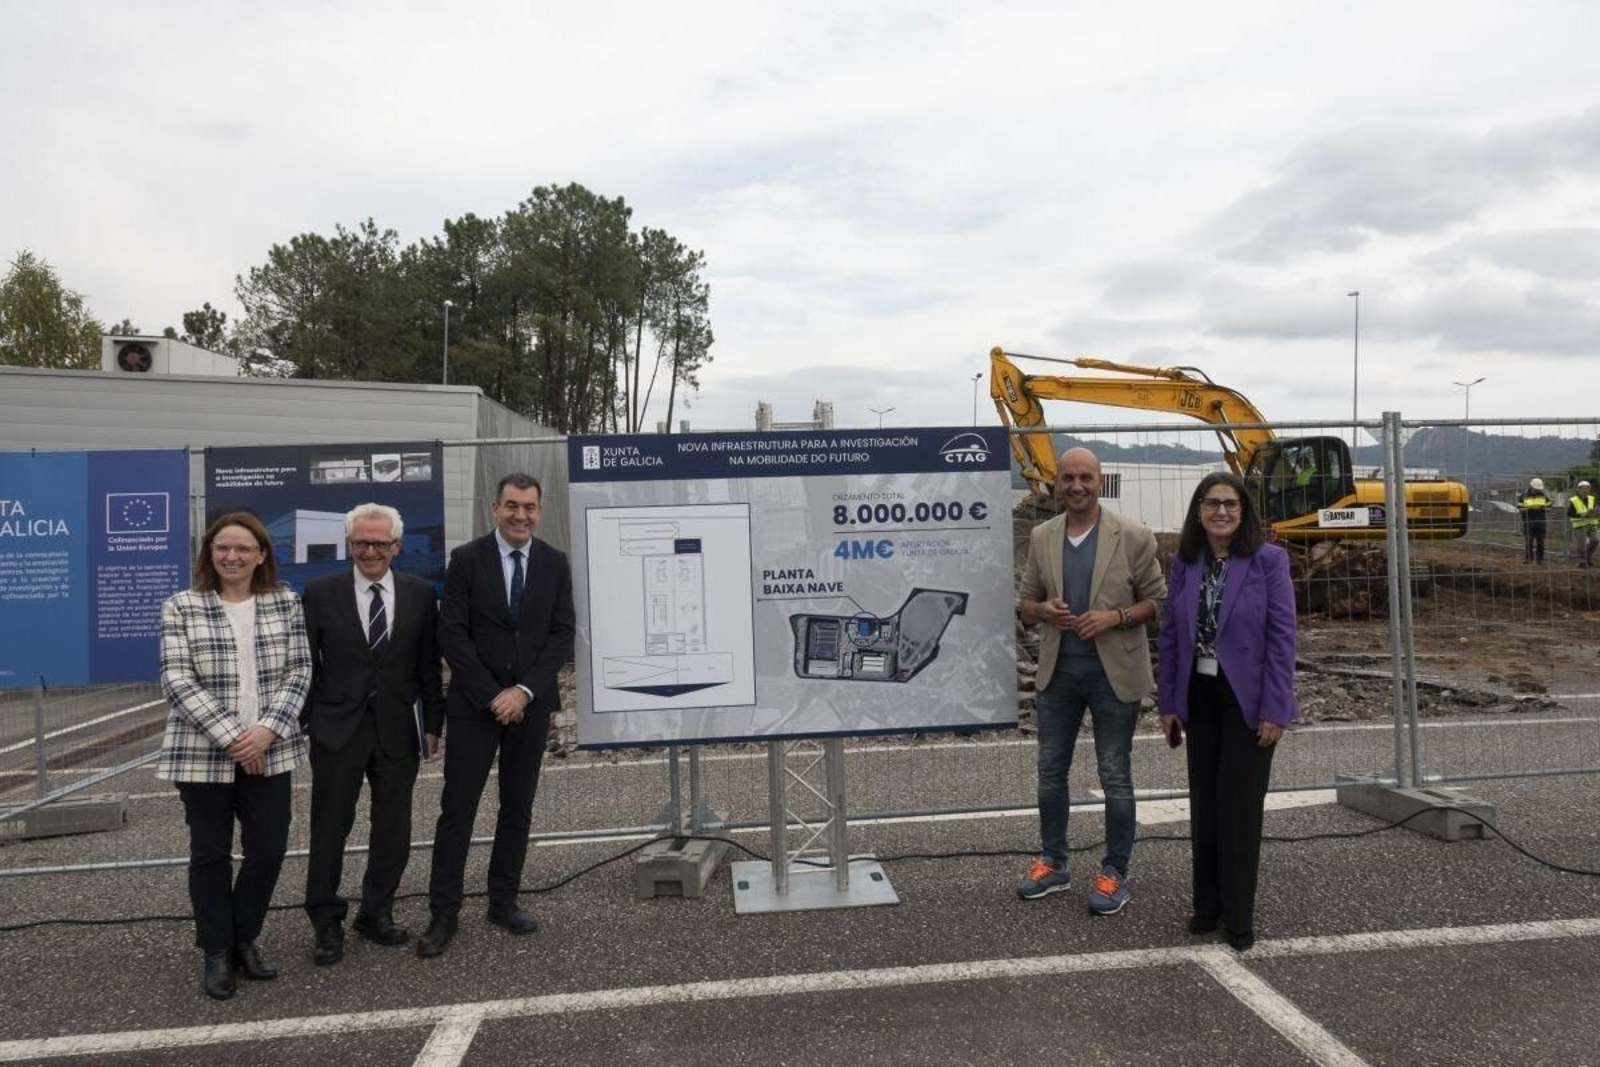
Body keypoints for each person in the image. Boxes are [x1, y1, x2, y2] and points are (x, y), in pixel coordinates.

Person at [418, 473, 575, 958]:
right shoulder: (466, 561)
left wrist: (524, 693)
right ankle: (444, 912)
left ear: (539, 511)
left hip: (530, 705)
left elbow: (561, 633)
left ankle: (502, 900)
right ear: (495, 507)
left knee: (517, 808)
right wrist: (494, 696)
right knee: (457, 811)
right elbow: (453, 635)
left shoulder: (554, 563)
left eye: (529, 507)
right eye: (512, 506)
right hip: (474, 706)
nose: (520, 515)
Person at [157, 512, 311, 1000]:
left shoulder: (284, 601)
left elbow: (301, 670)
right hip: (203, 754)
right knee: (211, 855)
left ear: (261, 555)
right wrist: (234, 738)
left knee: (267, 851)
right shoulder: (182, 606)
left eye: (244, 548)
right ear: (209, 553)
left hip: (271, 749)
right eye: (223, 547)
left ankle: (244, 937)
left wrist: (265, 732)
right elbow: (177, 681)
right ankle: (217, 952)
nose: (232, 556)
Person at [1015, 447, 1166, 914]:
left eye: (1085, 477)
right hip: (1058, 673)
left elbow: (1158, 603)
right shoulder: (1042, 536)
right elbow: (1025, 602)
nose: (1076, 486)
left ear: (1100, 481)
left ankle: (1114, 871)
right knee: (1049, 772)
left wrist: (1114, 617)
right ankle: (1054, 861)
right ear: (1056, 483)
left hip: (1113, 674)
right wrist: (1044, 611)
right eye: (1067, 478)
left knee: (1115, 775)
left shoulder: (1135, 536)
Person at [1156, 472, 1298, 952]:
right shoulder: (1186, 563)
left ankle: (1238, 916)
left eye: (1230, 504)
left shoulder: (1268, 561)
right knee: (1206, 806)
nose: (1221, 512)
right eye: (1212, 503)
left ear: (1244, 511)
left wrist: (1276, 709)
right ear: (1198, 511)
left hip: (1248, 700)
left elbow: (1283, 641)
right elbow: (1172, 638)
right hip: (1199, 695)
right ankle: (1207, 906)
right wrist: (1170, 702)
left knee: (1239, 809)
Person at [300, 503, 446, 965]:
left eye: (379, 543)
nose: (369, 551)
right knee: (329, 829)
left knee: (393, 829)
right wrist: (308, 722)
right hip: (337, 730)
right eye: (361, 542)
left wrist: (434, 725)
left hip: (396, 729)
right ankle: (326, 921)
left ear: (396, 546)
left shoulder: (421, 594)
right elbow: (306, 665)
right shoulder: (321, 593)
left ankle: (375, 913)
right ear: (349, 545)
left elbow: (428, 665)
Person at [1517, 477, 1551, 564]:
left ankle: (1540, 560)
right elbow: (1520, 509)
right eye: (1536, 489)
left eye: (1538, 489)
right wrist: (1529, 508)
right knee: (1529, 541)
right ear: (1531, 487)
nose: (1537, 491)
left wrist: (1542, 508)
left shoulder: (1543, 496)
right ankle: (1529, 558)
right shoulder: (1523, 496)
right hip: (1529, 522)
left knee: (1540, 542)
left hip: (1541, 522)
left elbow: (1549, 508)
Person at [1567, 479, 1597, 569]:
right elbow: (1569, 513)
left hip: (1591, 523)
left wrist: (1595, 512)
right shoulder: (1573, 500)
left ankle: (1587, 557)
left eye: (1587, 488)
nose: (1585, 490)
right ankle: (1581, 562)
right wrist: (1580, 515)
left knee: (1596, 540)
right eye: (1583, 488)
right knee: (1581, 544)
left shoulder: (1592, 499)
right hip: (1579, 525)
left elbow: (1594, 509)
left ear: (1589, 489)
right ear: (1579, 489)